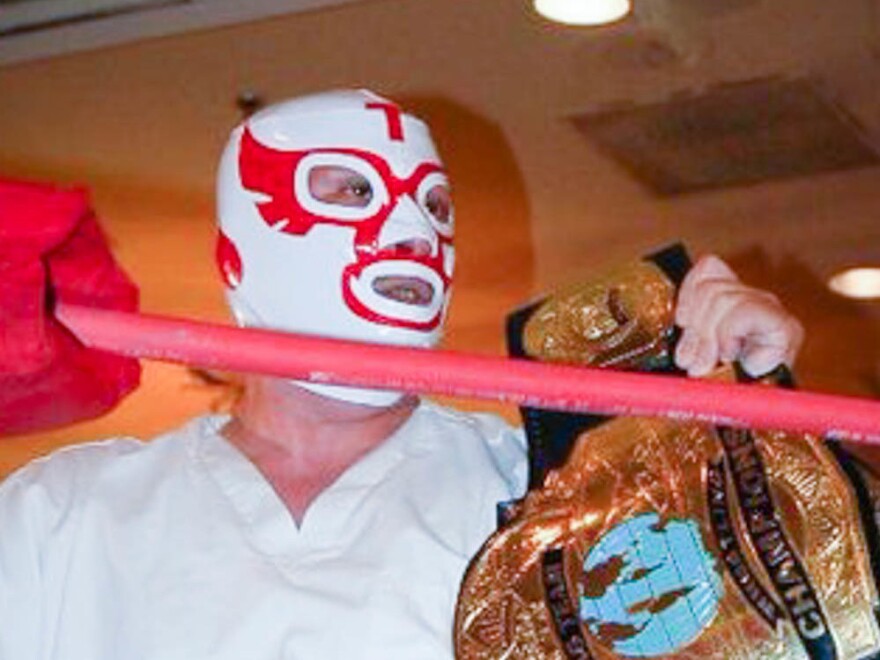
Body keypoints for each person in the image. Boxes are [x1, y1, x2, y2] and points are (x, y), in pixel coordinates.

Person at [0, 89, 804, 659]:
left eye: (436, 204)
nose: (415, 230)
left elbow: (779, 626)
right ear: (236, 250)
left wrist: (765, 447)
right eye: (352, 189)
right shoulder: (58, 521)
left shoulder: (553, 493)